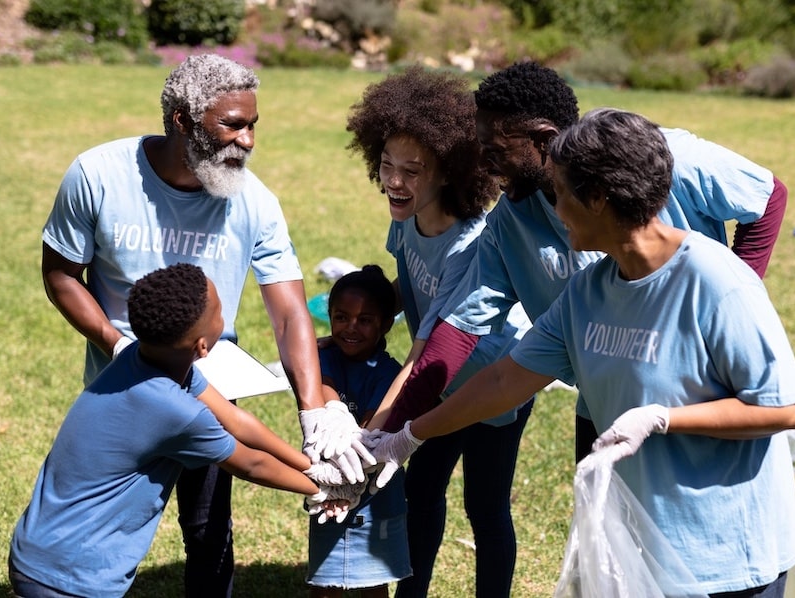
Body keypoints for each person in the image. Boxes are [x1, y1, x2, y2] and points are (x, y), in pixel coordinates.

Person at [370, 108, 795, 597]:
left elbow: (786, 409)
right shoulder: (586, 294)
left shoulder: (717, 281)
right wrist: (405, 436)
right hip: (643, 560)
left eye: (560, 194)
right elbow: (502, 382)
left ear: (598, 198)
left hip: (726, 563)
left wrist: (663, 418)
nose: (553, 212)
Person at [39, 53, 367, 597]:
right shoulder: (97, 175)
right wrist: (115, 343)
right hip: (121, 385)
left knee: (209, 528)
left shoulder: (254, 202)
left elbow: (288, 311)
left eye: (253, 124)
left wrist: (314, 410)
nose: (248, 141)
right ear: (182, 122)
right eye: (232, 125)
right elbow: (61, 274)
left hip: (211, 381)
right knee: (104, 518)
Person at [372, 60, 789, 464]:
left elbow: (768, 195)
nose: (482, 165)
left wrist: (733, 299)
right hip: (602, 396)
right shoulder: (556, 267)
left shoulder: (660, 159)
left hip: (697, 393)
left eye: (495, 150)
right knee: (600, 520)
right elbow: (471, 341)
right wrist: (394, 437)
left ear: (543, 141)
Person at [9, 263, 321, 598]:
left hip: (36, 551)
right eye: (219, 311)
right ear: (202, 346)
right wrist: (320, 490)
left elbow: (234, 418)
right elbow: (250, 464)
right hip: (72, 577)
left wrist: (313, 466)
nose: (224, 315)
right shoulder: (177, 412)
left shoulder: (140, 357)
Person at [345, 65, 534, 598]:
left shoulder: (469, 244)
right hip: (438, 380)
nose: (395, 181)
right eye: (386, 165)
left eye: (413, 170)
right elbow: (406, 292)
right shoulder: (405, 217)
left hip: (493, 387)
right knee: (421, 493)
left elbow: (427, 350)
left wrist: (373, 434)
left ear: (448, 171)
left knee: (486, 508)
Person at [306, 265, 411, 597]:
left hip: (376, 491)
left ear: (384, 325)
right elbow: (325, 389)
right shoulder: (324, 358)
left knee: (373, 582)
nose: (351, 328)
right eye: (341, 317)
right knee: (325, 580)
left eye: (364, 320)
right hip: (328, 485)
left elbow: (371, 428)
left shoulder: (389, 373)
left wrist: (349, 474)